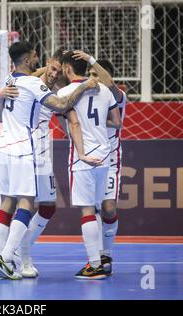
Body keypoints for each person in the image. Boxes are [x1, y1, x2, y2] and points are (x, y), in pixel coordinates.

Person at [0, 41, 99, 280]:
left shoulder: (14, 81)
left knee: (38, 206)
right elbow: (58, 102)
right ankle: (7, 257)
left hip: (25, 152)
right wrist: (86, 85)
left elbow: (68, 119)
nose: (53, 72)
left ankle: (10, 257)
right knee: (24, 205)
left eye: (59, 71)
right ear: (45, 63)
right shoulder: (35, 84)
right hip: (24, 152)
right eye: (52, 67)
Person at [57, 51, 121, 280]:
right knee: (97, 208)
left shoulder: (64, 93)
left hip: (83, 158)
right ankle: (100, 260)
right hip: (105, 155)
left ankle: (95, 265)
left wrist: (82, 150)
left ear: (66, 69)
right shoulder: (104, 90)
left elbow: (72, 122)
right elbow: (116, 122)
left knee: (87, 211)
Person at [73, 51, 127, 276]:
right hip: (89, 157)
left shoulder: (117, 95)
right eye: (90, 74)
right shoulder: (84, 94)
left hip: (111, 158)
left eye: (97, 74)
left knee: (108, 207)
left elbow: (115, 120)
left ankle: (107, 253)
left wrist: (90, 60)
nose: (93, 78)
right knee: (91, 209)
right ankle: (95, 258)